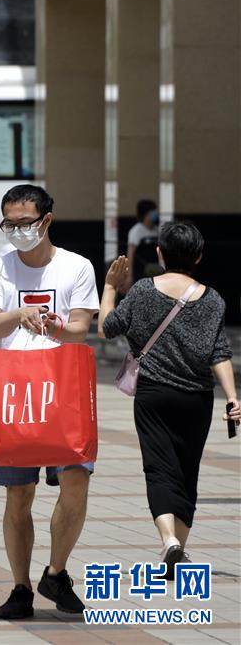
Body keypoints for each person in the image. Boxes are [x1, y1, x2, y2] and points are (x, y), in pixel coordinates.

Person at [0, 184, 99, 619]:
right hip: (15, 388)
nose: (18, 231)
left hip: (65, 383)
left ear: (47, 220)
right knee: (19, 494)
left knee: (76, 480)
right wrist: (18, 315)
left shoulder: (76, 266)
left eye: (25, 223)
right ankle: (20, 588)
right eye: (9, 224)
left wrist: (54, 326)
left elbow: (81, 328)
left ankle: (55, 571)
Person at [98, 220, 239, 579]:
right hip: (197, 398)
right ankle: (178, 552)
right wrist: (232, 398)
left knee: (159, 470)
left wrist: (110, 287)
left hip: (154, 395)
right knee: (187, 472)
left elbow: (107, 327)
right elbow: (220, 353)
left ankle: (169, 542)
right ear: (199, 257)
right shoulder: (214, 300)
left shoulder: (144, 291)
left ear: (160, 253)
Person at [126, 199, 160, 290]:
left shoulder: (156, 230)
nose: (156, 213)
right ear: (146, 214)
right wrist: (129, 276)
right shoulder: (136, 230)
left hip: (155, 273)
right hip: (141, 273)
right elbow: (130, 254)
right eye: (153, 211)